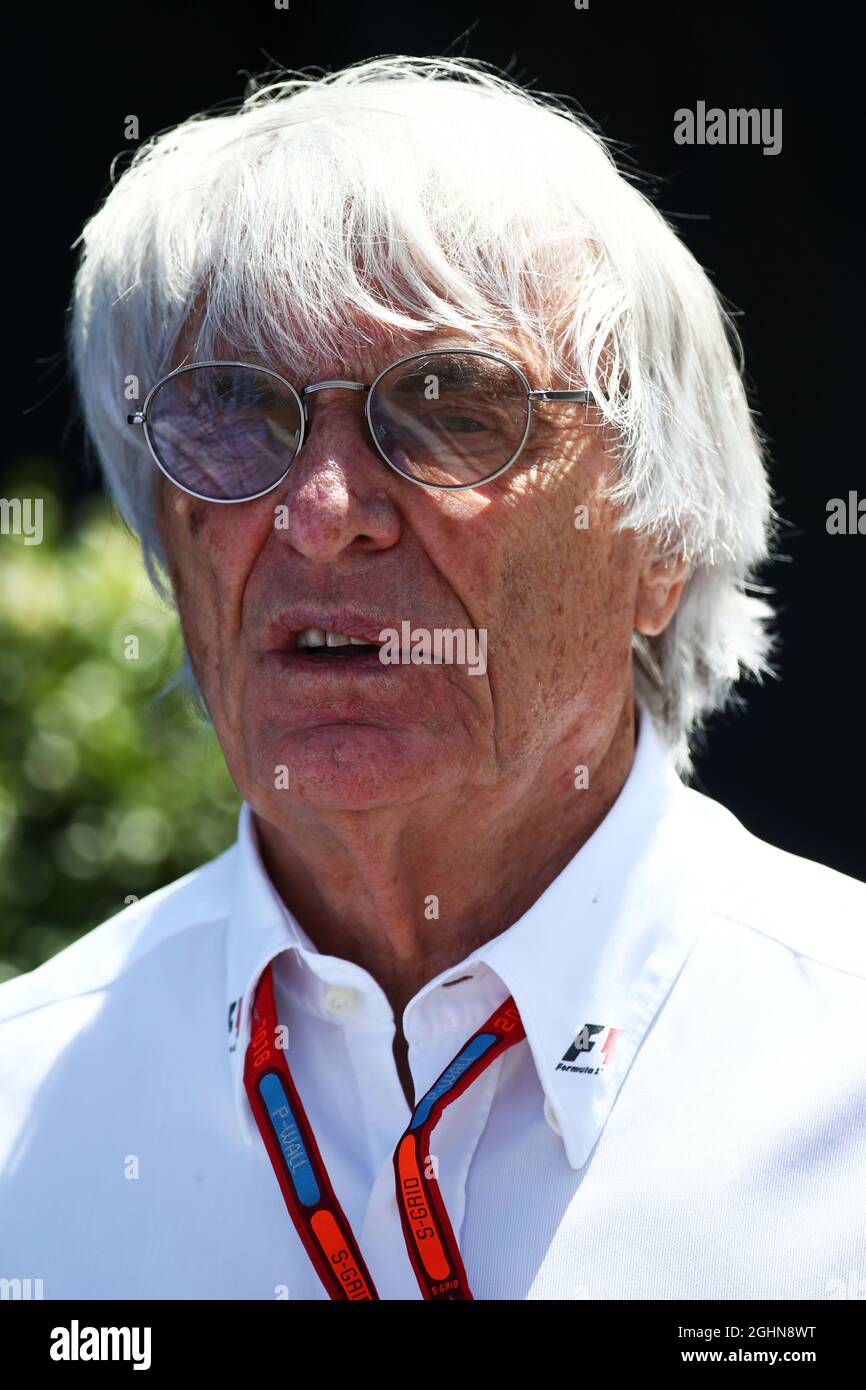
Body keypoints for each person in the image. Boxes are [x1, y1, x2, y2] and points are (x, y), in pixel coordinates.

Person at [1, 56, 863, 1302]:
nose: (320, 512)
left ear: (658, 543)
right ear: (168, 537)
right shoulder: (29, 1109)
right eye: (236, 412)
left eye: (452, 405)